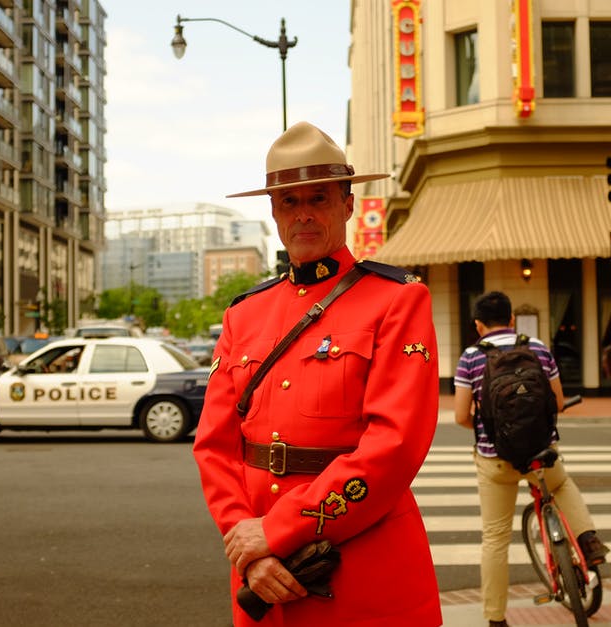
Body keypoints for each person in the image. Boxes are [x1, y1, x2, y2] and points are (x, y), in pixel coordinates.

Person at [192, 121, 442, 626]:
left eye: (319, 199)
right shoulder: (244, 314)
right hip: (263, 578)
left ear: (348, 205)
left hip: (361, 568)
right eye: (289, 202)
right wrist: (250, 544)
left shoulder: (397, 300)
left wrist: (278, 531)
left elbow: (393, 446)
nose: (303, 214)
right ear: (273, 211)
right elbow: (215, 447)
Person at [454, 291, 608, 627]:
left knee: (495, 538)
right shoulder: (537, 347)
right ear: (511, 320)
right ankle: (588, 539)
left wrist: (485, 427)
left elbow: (461, 416)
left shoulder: (469, 357)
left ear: (478, 325)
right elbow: (557, 401)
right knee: (563, 484)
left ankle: (495, 618)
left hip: (496, 460)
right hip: (541, 452)